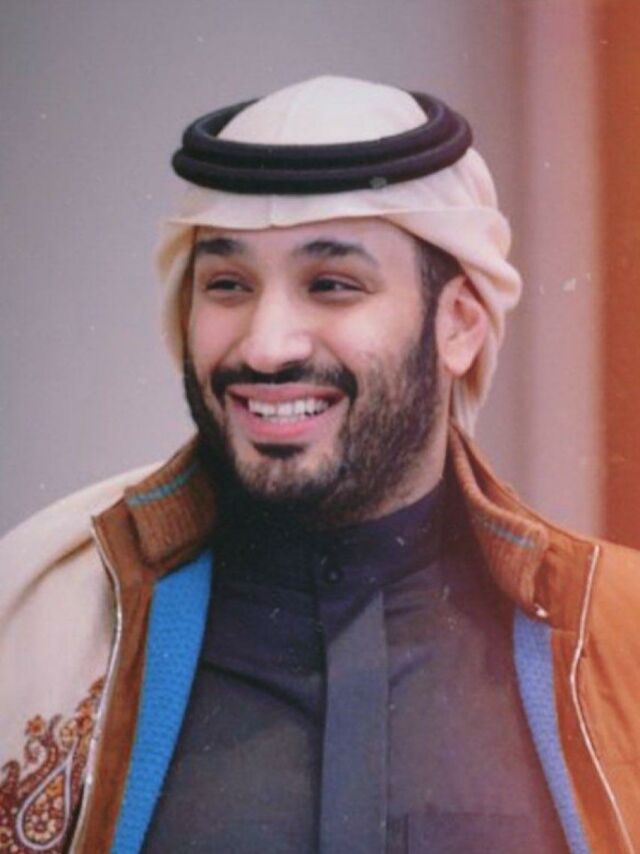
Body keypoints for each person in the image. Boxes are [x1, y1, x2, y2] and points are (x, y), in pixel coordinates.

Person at [0, 76, 638, 854]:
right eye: (228, 286)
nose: (267, 345)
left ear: (460, 325)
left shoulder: (619, 639)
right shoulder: (41, 618)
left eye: (332, 286)